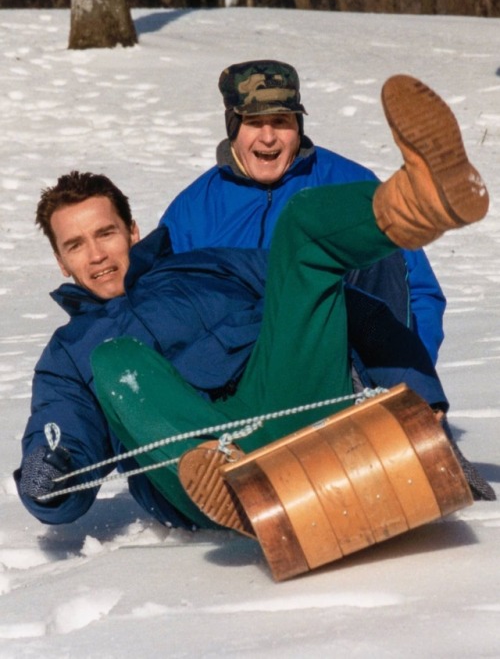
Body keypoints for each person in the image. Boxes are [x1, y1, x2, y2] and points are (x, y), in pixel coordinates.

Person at [15, 75, 494, 532]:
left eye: (105, 233)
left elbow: (347, 307)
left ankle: (419, 201)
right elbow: (60, 433)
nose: (96, 254)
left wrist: (421, 413)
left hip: (282, 405)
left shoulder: (205, 265)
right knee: (116, 359)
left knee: (300, 229)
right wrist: (48, 472)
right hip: (191, 472)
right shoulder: (68, 353)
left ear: (132, 231)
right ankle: (230, 477)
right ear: (61, 262)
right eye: (75, 245)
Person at [160, 60, 446, 366]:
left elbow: (419, 290)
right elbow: (164, 309)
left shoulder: (349, 183)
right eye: (254, 123)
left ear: (298, 125)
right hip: (240, 375)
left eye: (281, 121)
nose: (268, 137)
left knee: (371, 247)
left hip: (343, 370)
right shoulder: (192, 211)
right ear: (233, 126)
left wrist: (417, 376)